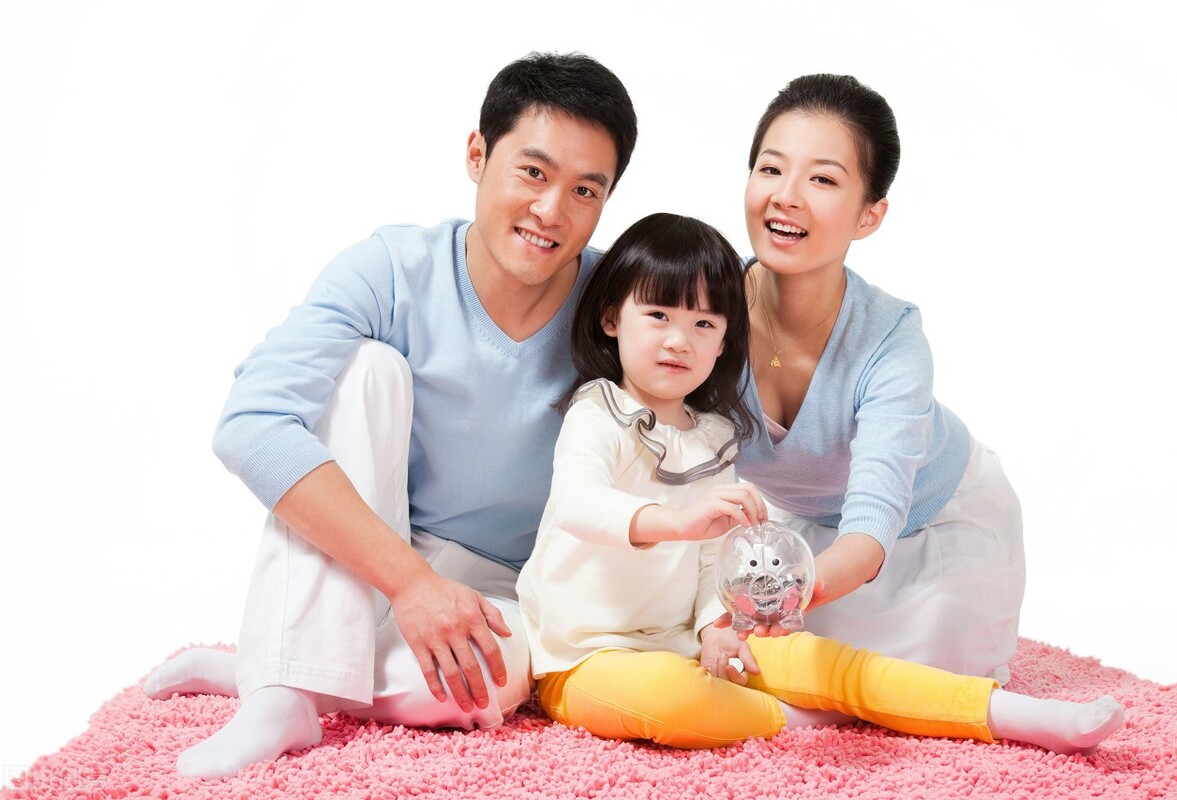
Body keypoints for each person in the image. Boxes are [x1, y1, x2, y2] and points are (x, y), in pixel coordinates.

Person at [142, 51, 638, 780]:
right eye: (533, 172)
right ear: (478, 155)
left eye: (585, 190)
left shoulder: (619, 304)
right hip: (370, 556)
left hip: (512, 589)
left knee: (478, 686)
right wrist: (410, 583)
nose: (551, 211)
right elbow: (251, 424)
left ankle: (274, 664)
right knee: (367, 370)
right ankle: (280, 690)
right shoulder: (391, 268)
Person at [516, 211, 1123, 753]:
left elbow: (709, 561)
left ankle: (1010, 714)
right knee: (676, 699)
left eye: (704, 323)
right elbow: (576, 503)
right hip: (584, 653)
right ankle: (803, 719)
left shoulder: (715, 436)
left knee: (819, 657)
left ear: (726, 341)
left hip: (681, 637)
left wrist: (712, 627)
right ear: (611, 318)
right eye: (657, 316)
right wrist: (675, 522)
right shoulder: (599, 411)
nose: (679, 340)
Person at [734, 74, 1025, 682]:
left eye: (822, 179)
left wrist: (781, 603)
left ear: (869, 215)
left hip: (934, 524)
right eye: (770, 169)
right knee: (769, 676)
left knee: (928, 683)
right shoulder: (699, 306)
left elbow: (871, 523)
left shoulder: (894, 338)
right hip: (809, 537)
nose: (785, 196)